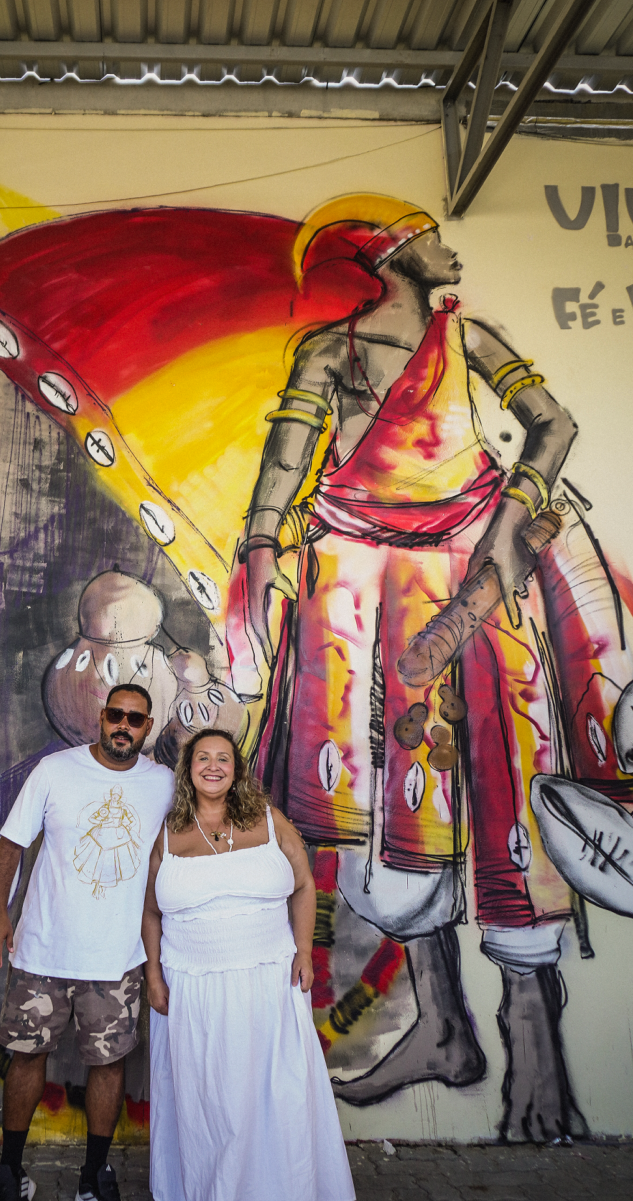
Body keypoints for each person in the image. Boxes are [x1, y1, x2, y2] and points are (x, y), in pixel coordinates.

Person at [239, 193, 633, 1140]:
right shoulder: (327, 353)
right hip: (361, 582)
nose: (447, 250)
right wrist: (261, 552)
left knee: (507, 779)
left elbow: (553, 423)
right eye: (428, 240)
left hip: (475, 574)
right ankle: (444, 1027)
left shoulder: (473, 337)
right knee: (390, 797)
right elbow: (285, 467)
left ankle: (530, 1044)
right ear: (390, 258)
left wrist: (510, 521)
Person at [142, 729, 355, 1201]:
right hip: (195, 988)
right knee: (214, 1107)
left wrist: (304, 951)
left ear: (236, 769)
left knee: (279, 1100)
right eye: (202, 758)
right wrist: (154, 976)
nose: (213, 766)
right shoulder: (168, 835)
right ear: (187, 769)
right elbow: (150, 913)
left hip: (268, 982)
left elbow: (304, 884)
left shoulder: (269, 819)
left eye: (223, 759)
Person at [0, 683, 173, 1201]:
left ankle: (94, 1175)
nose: (124, 726)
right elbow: (11, 844)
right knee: (26, 1058)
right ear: (100, 717)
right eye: (116, 714)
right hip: (42, 950)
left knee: (108, 1065)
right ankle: (10, 1170)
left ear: (147, 727)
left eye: (135, 720)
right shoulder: (55, 770)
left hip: (117, 958)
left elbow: (191, 842)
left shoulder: (162, 784)